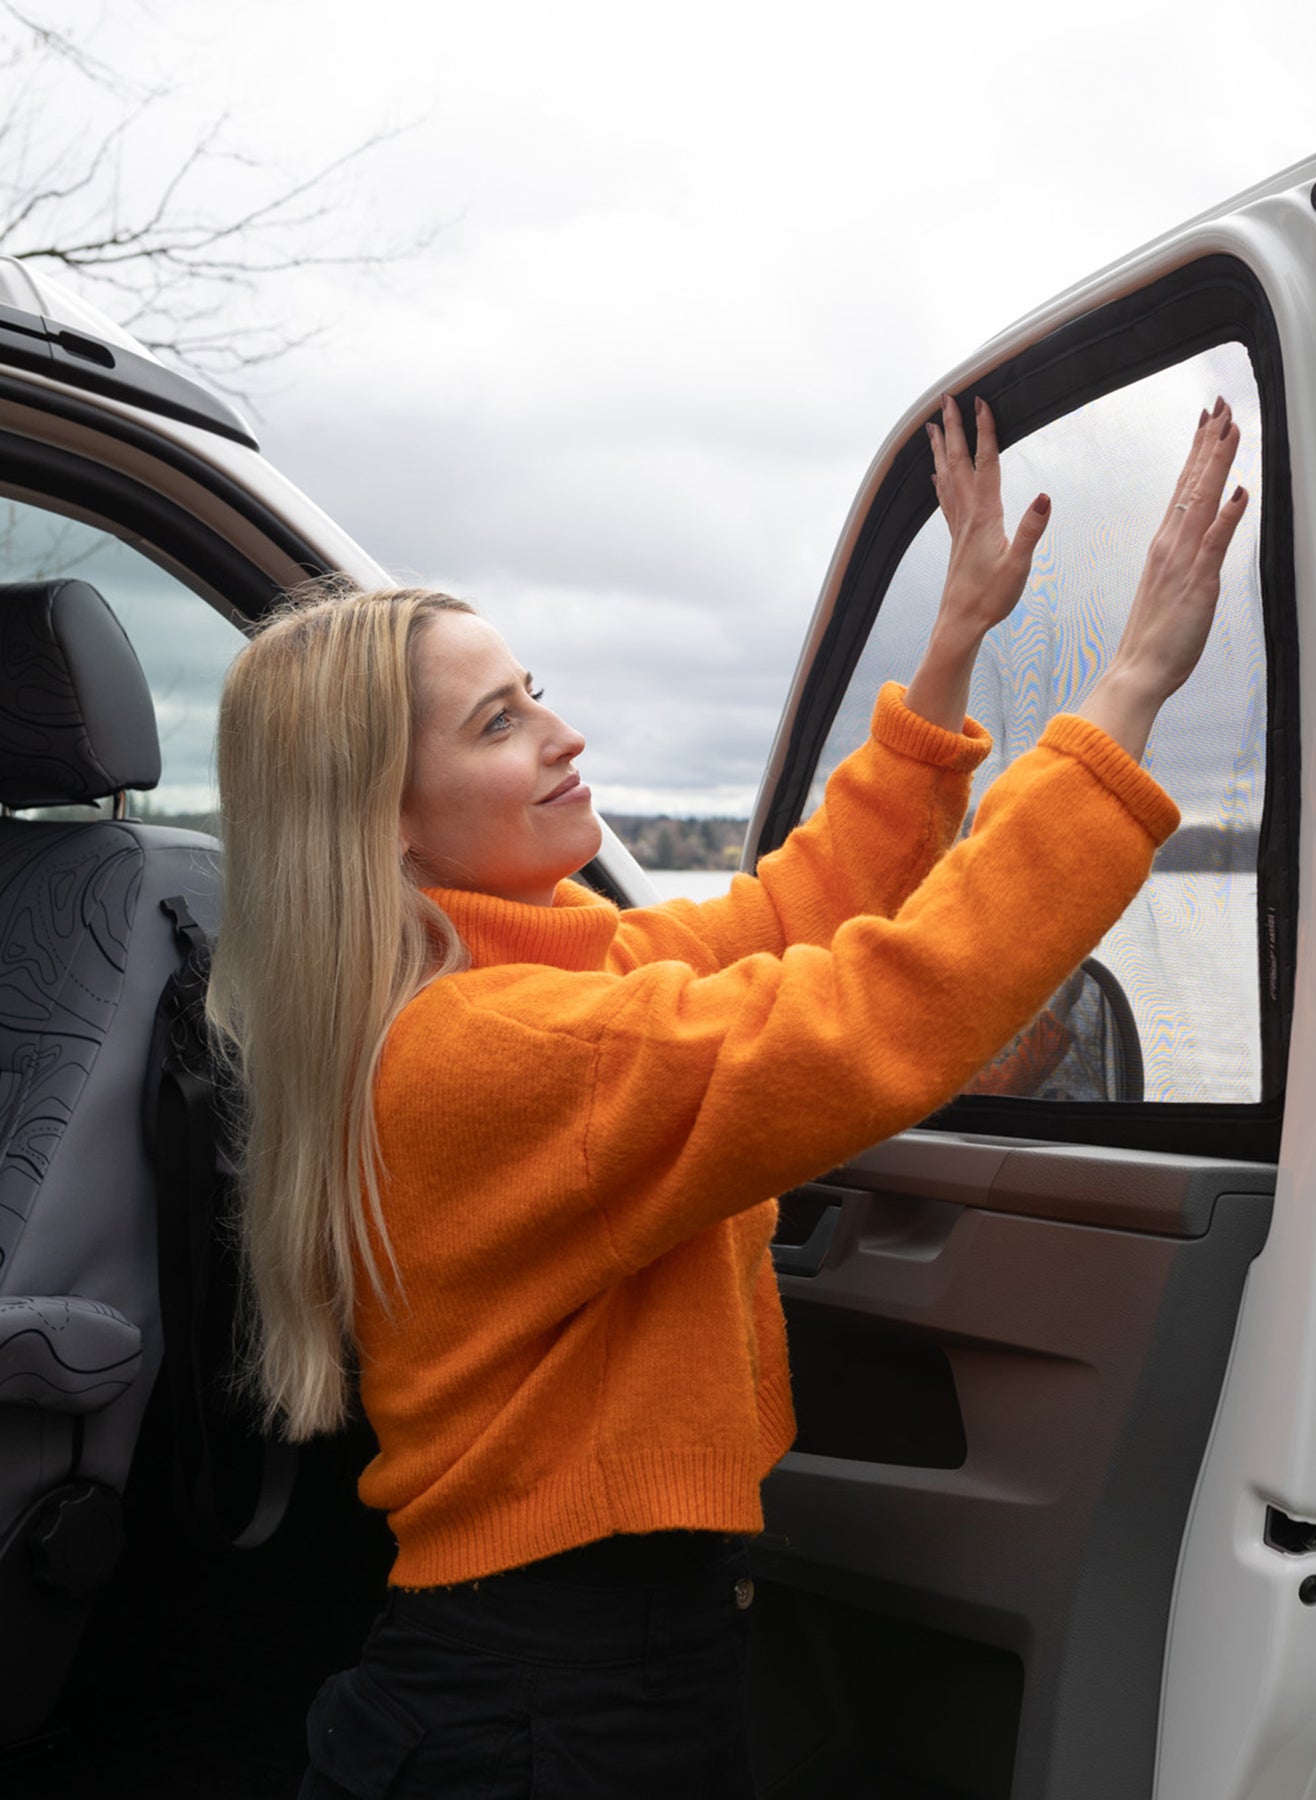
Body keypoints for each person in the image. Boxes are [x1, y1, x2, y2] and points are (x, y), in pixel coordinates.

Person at [207, 392, 1248, 1799]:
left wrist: (948, 656)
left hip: (555, 1672)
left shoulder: (530, 987)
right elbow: (864, 1013)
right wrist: (1124, 695)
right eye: (502, 723)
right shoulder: (491, 1051)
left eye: (538, 690)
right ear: (384, 819)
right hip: (551, 1705)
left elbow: (776, 924)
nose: (562, 734)